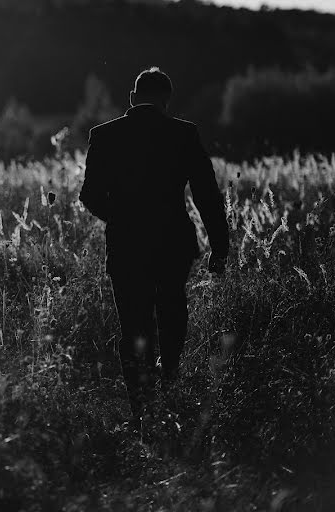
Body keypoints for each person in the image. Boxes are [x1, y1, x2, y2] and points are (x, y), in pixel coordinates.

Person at [79, 67, 228, 419]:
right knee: (172, 313)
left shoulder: (104, 135)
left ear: (132, 99)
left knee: (134, 325)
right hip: (173, 243)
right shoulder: (183, 134)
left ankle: (140, 408)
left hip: (126, 244)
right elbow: (207, 194)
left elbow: (90, 196)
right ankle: (169, 379)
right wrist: (219, 245)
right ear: (166, 101)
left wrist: (122, 218)